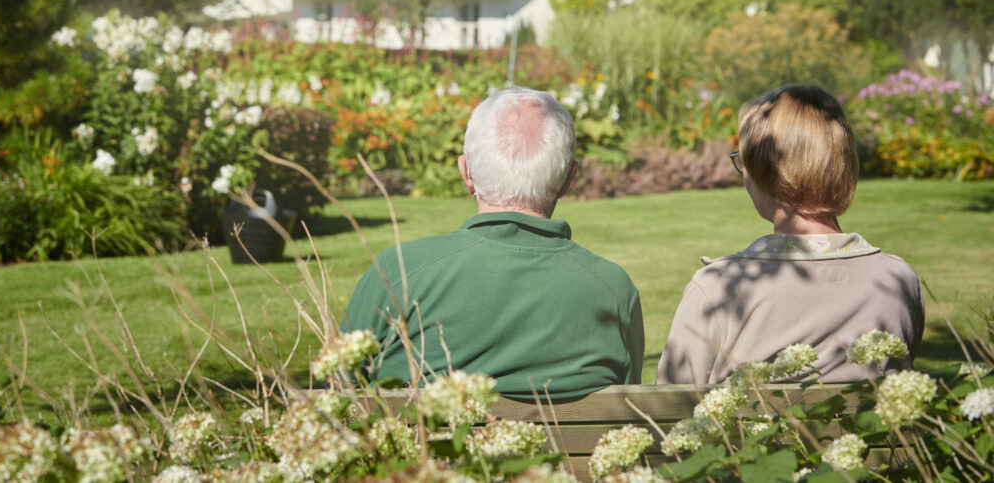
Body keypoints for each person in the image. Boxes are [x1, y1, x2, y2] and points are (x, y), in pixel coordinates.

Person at [343, 86, 644, 399]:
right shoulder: (614, 291)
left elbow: (335, 394)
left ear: (466, 172)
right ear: (569, 179)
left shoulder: (398, 272)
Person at [657, 84, 924, 384]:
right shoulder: (898, 281)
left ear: (763, 169)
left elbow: (669, 410)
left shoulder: (718, 290)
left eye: (743, 160)